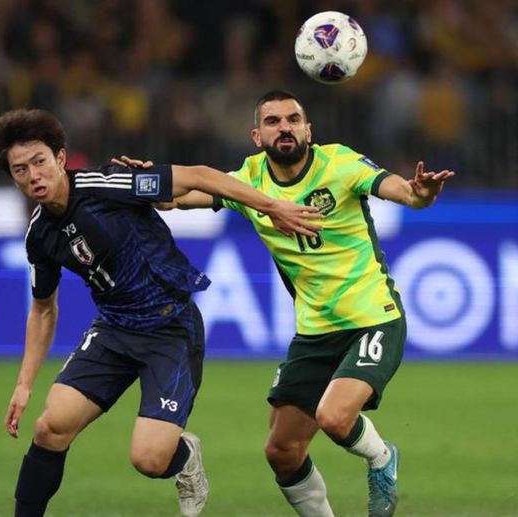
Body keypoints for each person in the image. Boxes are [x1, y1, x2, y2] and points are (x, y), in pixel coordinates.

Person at [119, 89, 455, 517]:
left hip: (373, 318)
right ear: (256, 136)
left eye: (294, 120)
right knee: (282, 451)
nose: (285, 128)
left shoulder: (340, 163)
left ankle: (382, 457)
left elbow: (405, 193)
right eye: (273, 121)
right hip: (314, 332)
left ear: (308, 130)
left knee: (334, 417)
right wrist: (143, 182)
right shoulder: (249, 180)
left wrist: (422, 193)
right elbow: (177, 198)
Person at [0, 107, 321, 517]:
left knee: (149, 459)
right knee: (49, 427)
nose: (33, 175)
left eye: (39, 161)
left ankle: (183, 455)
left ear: (60, 157)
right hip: (114, 329)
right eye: (20, 170)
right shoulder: (39, 235)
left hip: (170, 327)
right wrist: (24, 385)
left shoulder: (108, 184)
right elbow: (43, 309)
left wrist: (271, 207)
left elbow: (198, 176)